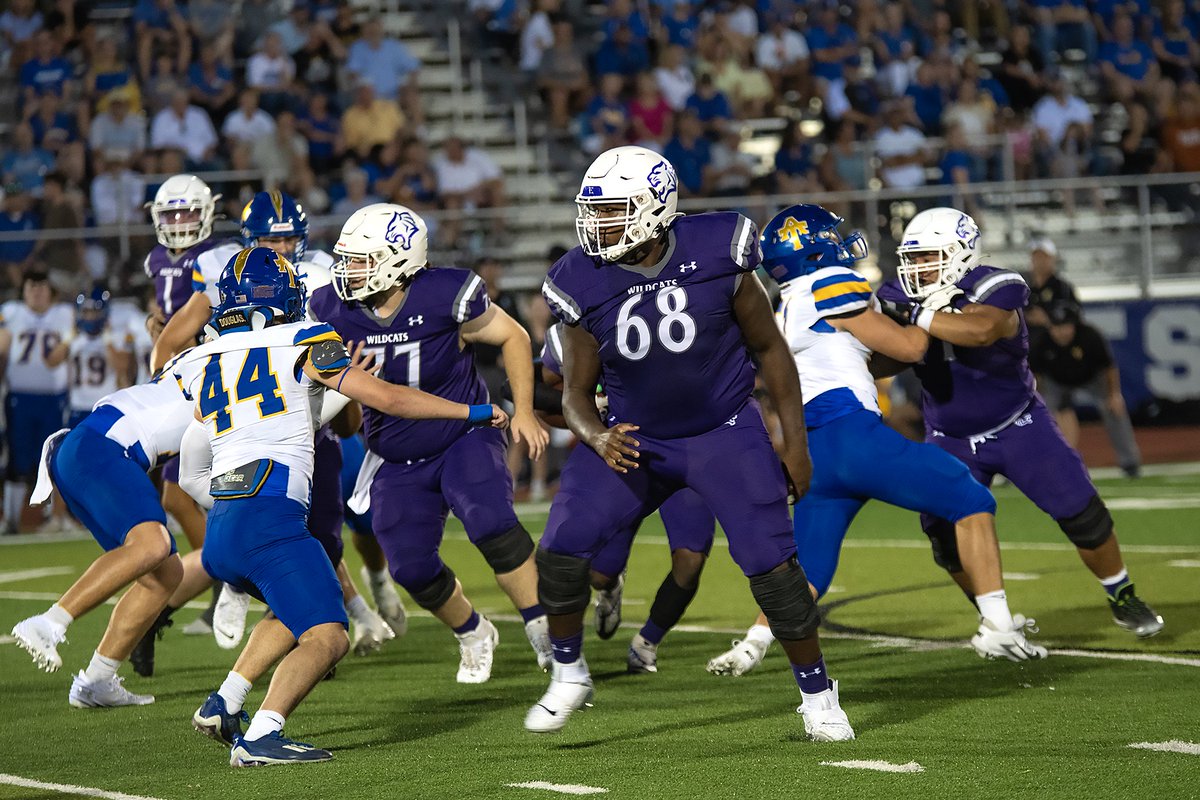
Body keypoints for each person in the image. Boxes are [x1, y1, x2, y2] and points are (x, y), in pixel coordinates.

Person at [530, 146, 853, 741]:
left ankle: (818, 692)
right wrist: (596, 435)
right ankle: (570, 671)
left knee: (772, 567)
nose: (597, 226)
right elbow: (572, 389)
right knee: (560, 548)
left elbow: (771, 351)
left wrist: (796, 446)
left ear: (657, 208)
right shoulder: (578, 278)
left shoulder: (718, 246)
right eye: (593, 212)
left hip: (724, 434)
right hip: (634, 439)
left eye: (614, 211)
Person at [174, 246, 508, 765]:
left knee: (295, 608)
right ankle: (262, 734)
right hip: (272, 516)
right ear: (288, 296)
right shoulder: (306, 337)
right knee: (329, 637)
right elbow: (389, 400)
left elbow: (199, 446)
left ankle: (226, 702)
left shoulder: (205, 358)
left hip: (223, 523)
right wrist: (472, 410)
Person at [706, 205, 1045, 677]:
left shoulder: (781, 303)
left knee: (811, 566)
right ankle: (998, 625)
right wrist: (926, 309)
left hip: (814, 450)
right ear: (815, 249)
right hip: (851, 435)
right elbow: (910, 348)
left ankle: (752, 643)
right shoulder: (832, 284)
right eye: (832, 236)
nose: (842, 243)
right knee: (970, 498)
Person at [875, 207, 1163, 638]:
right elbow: (891, 358)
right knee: (941, 535)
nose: (917, 268)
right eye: (914, 258)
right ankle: (993, 618)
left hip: (1017, 424)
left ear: (959, 254)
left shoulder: (996, 284)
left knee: (1082, 514)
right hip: (949, 435)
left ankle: (1121, 594)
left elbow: (981, 331)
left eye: (928, 256)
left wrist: (918, 317)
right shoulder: (900, 292)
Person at [140, 190, 397, 663]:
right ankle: (237, 589)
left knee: (319, 532)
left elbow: (345, 346)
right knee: (201, 494)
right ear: (248, 240)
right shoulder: (225, 272)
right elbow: (175, 339)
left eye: (288, 240)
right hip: (241, 414)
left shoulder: (324, 274)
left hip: (305, 410)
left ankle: (300, 608)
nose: (279, 250)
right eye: (269, 241)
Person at [310, 203, 551, 684]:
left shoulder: (445, 293)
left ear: (398, 259)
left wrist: (524, 407)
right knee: (410, 567)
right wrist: (346, 379)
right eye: (347, 258)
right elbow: (345, 409)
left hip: (462, 435)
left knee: (492, 524)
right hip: (393, 455)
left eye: (360, 259)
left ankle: (546, 632)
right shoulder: (330, 309)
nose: (347, 271)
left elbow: (515, 336)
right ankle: (472, 630)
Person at [9, 343, 204, 709]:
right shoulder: (222, 374)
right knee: (153, 544)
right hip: (101, 449)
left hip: (83, 451)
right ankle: (51, 622)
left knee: (166, 573)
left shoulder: (192, 363)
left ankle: (97, 680)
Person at [537, 322, 716, 672]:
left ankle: (647, 641)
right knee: (600, 574)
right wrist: (597, 407)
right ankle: (610, 587)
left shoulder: (673, 311)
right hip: (624, 450)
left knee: (690, 557)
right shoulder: (573, 329)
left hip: (685, 444)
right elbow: (537, 393)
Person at [139, 174, 239, 659]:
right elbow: (161, 307)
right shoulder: (157, 259)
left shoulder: (218, 255)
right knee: (178, 496)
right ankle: (216, 571)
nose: (179, 224)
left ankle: (217, 573)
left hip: (205, 375)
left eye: (187, 213)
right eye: (171, 215)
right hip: (175, 375)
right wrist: (158, 323)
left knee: (183, 492)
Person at [1030, 301, 1141, 477]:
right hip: (1056, 383)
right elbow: (1035, 375)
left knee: (1114, 409)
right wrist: (1036, 400)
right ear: (1050, 327)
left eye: (1066, 326)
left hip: (1092, 380)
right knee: (1036, 417)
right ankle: (1037, 465)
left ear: (1075, 326)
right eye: (1057, 327)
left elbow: (1109, 367)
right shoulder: (1040, 342)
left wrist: (1114, 394)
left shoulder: (1090, 336)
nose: (1062, 331)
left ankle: (1130, 463)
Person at [0, 271, 72, 535]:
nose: (37, 292)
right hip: (19, 397)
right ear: (24, 290)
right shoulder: (11, 312)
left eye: (42, 287)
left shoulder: (64, 314)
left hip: (54, 400)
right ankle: (10, 519)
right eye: (32, 287)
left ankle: (53, 517)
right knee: (17, 459)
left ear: (50, 291)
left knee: (52, 458)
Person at [47, 287, 132, 430]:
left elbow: (122, 367)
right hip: (77, 407)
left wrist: (108, 341)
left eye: (95, 312)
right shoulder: (73, 339)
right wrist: (68, 340)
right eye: (86, 312)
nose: (90, 317)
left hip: (105, 407)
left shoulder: (115, 338)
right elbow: (51, 362)